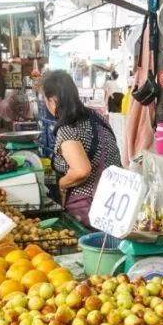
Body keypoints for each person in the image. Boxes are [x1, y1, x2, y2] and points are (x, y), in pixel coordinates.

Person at [42, 70, 122, 227]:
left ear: (52, 101)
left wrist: (61, 185)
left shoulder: (67, 129)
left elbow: (81, 170)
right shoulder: (95, 116)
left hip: (90, 210)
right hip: (115, 202)